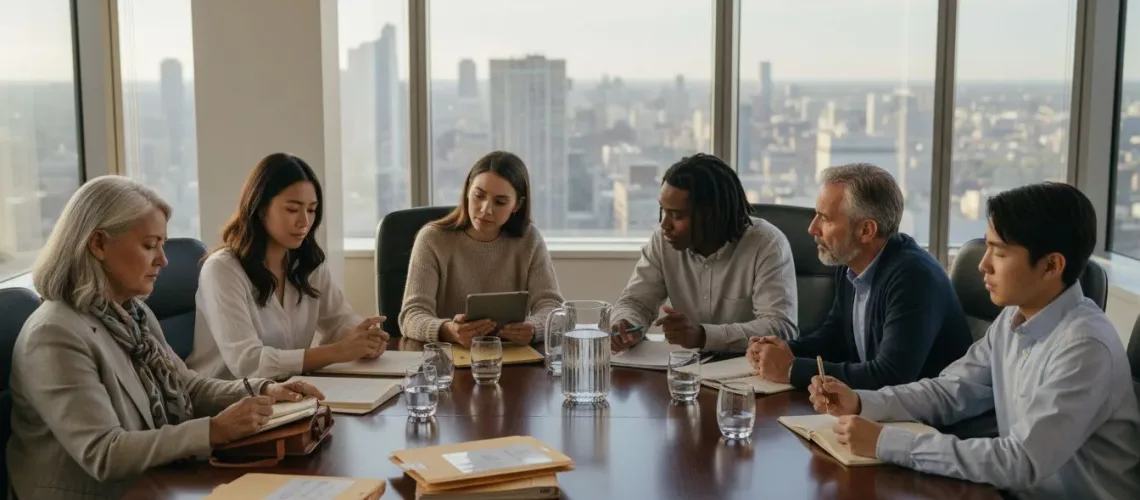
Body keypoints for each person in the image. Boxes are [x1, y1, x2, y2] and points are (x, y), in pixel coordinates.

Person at [809, 183, 1140, 499]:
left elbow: (1021, 461)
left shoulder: (1085, 347)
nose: (983, 265)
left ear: (1051, 265)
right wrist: (861, 402)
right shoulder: (1012, 320)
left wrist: (887, 442)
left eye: (999, 253)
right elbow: (950, 390)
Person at [6, 176, 324, 500]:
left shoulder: (132, 312)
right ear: (99, 244)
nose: (164, 259)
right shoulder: (54, 335)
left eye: (162, 244)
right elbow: (104, 452)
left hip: (155, 482)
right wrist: (215, 430)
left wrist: (264, 389)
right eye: (149, 245)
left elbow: (188, 385)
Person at [746, 163, 972, 389]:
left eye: (825, 218)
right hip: (878, 411)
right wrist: (783, 350)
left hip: (928, 420)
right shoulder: (850, 262)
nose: (812, 228)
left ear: (866, 230)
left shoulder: (913, 278)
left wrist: (791, 369)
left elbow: (891, 376)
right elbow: (836, 338)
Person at [186, 153, 388, 380]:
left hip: (289, 393)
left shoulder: (308, 263)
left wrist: (365, 337)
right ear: (261, 209)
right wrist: (338, 352)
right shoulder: (222, 270)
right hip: (230, 402)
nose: (304, 222)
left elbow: (338, 320)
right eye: (292, 209)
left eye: (311, 210)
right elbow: (248, 363)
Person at [609, 153, 798, 353]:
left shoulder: (767, 245)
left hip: (748, 371)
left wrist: (703, 335)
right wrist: (626, 323)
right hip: (685, 370)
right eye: (663, 211)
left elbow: (780, 328)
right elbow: (636, 302)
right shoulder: (662, 241)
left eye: (677, 215)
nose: (664, 225)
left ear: (711, 215)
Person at [399, 151, 563, 347]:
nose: (486, 209)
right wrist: (448, 330)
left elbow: (554, 309)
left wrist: (534, 328)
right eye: (479, 196)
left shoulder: (529, 240)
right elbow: (411, 315)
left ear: (517, 205)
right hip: (449, 360)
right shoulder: (432, 239)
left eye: (500, 202)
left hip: (511, 358)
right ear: (468, 191)